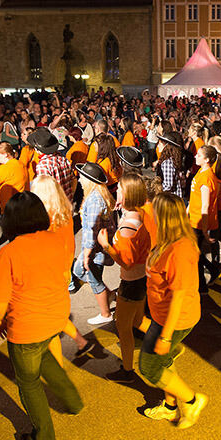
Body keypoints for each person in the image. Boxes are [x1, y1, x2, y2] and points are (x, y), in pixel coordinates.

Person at [0, 192, 84, 440]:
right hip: (55, 316)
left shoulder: (9, 253)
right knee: (44, 357)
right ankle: (73, 402)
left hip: (26, 326)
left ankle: (44, 439)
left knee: (29, 383)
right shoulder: (55, 240)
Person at [139, 192, 208, 429]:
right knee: (163, 362)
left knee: (149, 367)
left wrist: (166, 336)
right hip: (162, 315)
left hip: (175, 319)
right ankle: (170, 408)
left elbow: (179, 295)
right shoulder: (169, 239)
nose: (153, 215)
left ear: (165, 217)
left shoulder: (180, 250)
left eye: (156, 211)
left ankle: (191, 399)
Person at [31, 175, 94, 363]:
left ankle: (57, 362)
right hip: (63, 269)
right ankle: (81, 342)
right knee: (53, 314)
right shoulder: (64, 210)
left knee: (48, 320)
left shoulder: (42, 219)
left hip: (46, 272)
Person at [97, 174, 150, 383]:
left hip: (131, 282)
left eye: (119, 188)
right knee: (137, 320)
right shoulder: (139, 215)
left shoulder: (128, 227)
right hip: (141, 277)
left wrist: (107, 246)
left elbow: (126, 262)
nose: (116, 190)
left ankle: (128, 370)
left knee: (123, 328)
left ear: (127, 193)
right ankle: (165, 342)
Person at [73, 162, 115, 325]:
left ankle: (105, 314)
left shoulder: (94, 200)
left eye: (82, 176)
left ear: (89, 180)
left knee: (94, 280)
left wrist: (87, 254)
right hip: (96, 248)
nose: (80, 178)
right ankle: (109, 295)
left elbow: (92, 230)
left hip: (95, 250)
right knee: (85, 274)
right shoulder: (97, 195)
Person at [187, 145, 221, 292]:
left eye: (199, 155)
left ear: (206, 160)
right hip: (193, 219)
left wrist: (206, 230)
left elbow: (206, 205)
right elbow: (195, 198)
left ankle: (201, 285)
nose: (195, 156)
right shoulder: (202, 171)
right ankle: (210, 273)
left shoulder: (207, 178)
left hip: (199, 223)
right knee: (196, 254)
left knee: (195, 255)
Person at [29, 128, 76, 201]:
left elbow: (45, 192)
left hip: (54, 206)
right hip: (68, 203)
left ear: (37, 149)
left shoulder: (43, 165)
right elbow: (74, 180)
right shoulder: (62, 159)